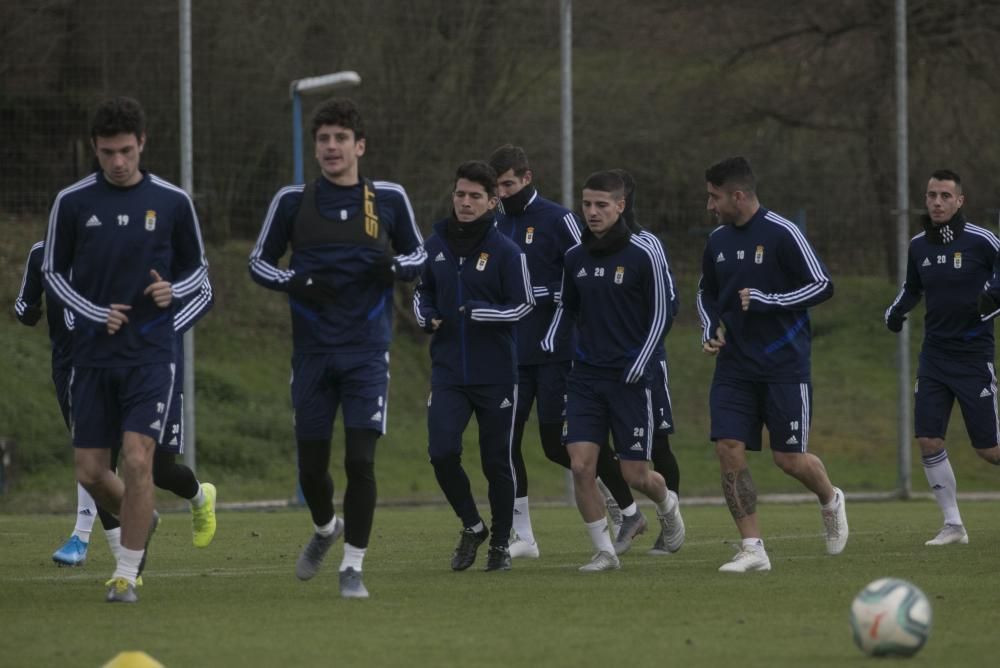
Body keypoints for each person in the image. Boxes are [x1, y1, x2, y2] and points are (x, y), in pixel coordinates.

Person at [249, 98, 426, 598]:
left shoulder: (388, 197)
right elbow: (258, 262)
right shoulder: (292, 200)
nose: (331, 147)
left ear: (359, 146)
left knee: (361, 462)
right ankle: (327, 529)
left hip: (368, 350)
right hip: (312, 352)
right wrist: (295, 282)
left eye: (340, 138)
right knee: (311, 468)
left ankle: (353, 566)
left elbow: (421, 253)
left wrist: (393, 268)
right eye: (323, 139)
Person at [42, 96, 210, 602]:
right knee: (92, 472)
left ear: (143, 146)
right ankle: (145, 515)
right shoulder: (71, 203)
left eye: (127, 151)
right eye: (108, 152)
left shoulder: (173, 201)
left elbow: (199, 271)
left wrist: (172, 291)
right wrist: (95, 314)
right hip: (91, 358)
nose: (118, 162)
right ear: (94, 148)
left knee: (139, 460)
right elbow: (51, 271)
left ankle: (126, 573)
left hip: (152, 355)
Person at [16, 244, 218, 566]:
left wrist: (159, 334)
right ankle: (115, 555)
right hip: (100, 368)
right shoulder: (83, 244)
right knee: (98, 460)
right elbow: (60, 309)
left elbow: (204, 290)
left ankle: (199, 497)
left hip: (160, 367)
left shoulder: (167, 228)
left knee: (160, 470)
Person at [488, 145, 641, 559]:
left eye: (508, 184)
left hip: (558, 351)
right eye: (497, 186)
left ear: (526, 177)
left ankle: (626, 506)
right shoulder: (497, 223)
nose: (501, 193)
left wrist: (547, 297)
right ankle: (524, 536)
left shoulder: (558, 220)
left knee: (559, 446)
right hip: (514, 354)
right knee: (505, 440)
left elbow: (585, 270)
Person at [696, 156, 847, 573]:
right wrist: (711, 326)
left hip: (784, 364)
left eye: (714, 197)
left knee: (789, 459)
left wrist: (770, 301)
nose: (710, 206)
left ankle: (830, 498)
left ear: (738, 196)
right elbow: (706, 293)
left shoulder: (784, 233)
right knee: (728, 446)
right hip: (735, 366)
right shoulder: (717, 241)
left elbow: (822, 284)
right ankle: (752, 547)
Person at [544, 170, 682, 572]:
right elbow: (567, 308)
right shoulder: (575, 257)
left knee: (636, 474)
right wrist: (553, 337)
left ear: (621, 206)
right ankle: (603, 551)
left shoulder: (644, 251)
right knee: (582, 466)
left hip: (630, 378)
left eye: (602, 205)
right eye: (587, 204)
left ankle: (668, 505)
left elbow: (663, 312)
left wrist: (642, 360)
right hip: (585, 377)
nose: (592, 212)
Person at [414, 160, 533, 572]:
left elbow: (523, 305)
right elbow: (421, 293)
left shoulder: (507, 251)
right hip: (448, 372)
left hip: (496, 375)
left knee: (496, 461)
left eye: (475, 196)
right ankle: (472, 525)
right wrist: (424, 316)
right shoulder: (433, 246)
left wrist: (483, 312)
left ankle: (501, 543)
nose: (465, 202)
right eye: (460, 194)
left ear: (492, 202)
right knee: (441, 452)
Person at [884, 169, 1000, 546]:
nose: (936, 202)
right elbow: (911, 289)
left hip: (972, 357)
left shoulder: (982, 241)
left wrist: (991, 301)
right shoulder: (918, 246)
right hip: (934, 357)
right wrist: (896, 311)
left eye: (945, 196)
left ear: (960, 201)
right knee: (929, 439)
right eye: (932, 195)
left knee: (989, 450)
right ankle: (953, 525)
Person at [610, 168, 686, 555]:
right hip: (597, 366)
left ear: (625, 202)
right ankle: (623, 511)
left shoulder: (647, 244)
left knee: (658, 443)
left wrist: (639, 342)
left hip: (645, 362)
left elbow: (670, 303)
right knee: (591, 445)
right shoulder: (584, 247)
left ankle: (670, 520)